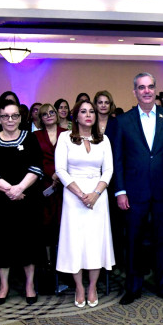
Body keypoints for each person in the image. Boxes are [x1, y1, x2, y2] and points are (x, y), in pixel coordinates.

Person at [112, 72, 163, 305]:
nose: (146, 91)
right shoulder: (123, 121)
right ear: (134, 92)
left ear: (155, 90)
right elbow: (118, 160)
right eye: (141, 87)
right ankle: (133, 288)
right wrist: (120, 191)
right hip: (134, 192)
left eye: (150, 86)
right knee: (133, 241)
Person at [0, 100, 44, 305]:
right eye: (5, 116)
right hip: (0, 202)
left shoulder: (31, 138)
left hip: (27, 200)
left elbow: (36, 167)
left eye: (15, 115)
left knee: (29, 242)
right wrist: (10, 190)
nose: (10, 120)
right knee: (2, 243)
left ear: (21, 117)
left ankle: (29, 285)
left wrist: (19, 189)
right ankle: (4, 286)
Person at [55, 101, 115, 307]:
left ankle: (92, 286)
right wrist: (81, 194)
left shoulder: (104, 139)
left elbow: (108, 170)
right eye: (83, 111)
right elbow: (60, 169)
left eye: (91, 111)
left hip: (98, 196)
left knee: (94, 242)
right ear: (76, 116)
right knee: (76, 242)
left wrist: (95, 193)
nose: (88, 115)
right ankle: (79, 287)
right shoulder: (65, 138)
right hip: (73, 195)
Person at [33, 103, 68, 266]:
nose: (49, 115)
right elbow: (35, 160)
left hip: (66, 185)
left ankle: (64, 264)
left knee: (64, 224)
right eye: (44, 114)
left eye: (52, 112)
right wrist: (52, 173)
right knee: (46, 225)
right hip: (45, 184)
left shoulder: (67, 134)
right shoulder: (35, 136)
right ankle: (47, 265)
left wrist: (61, 175)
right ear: (40, 118)